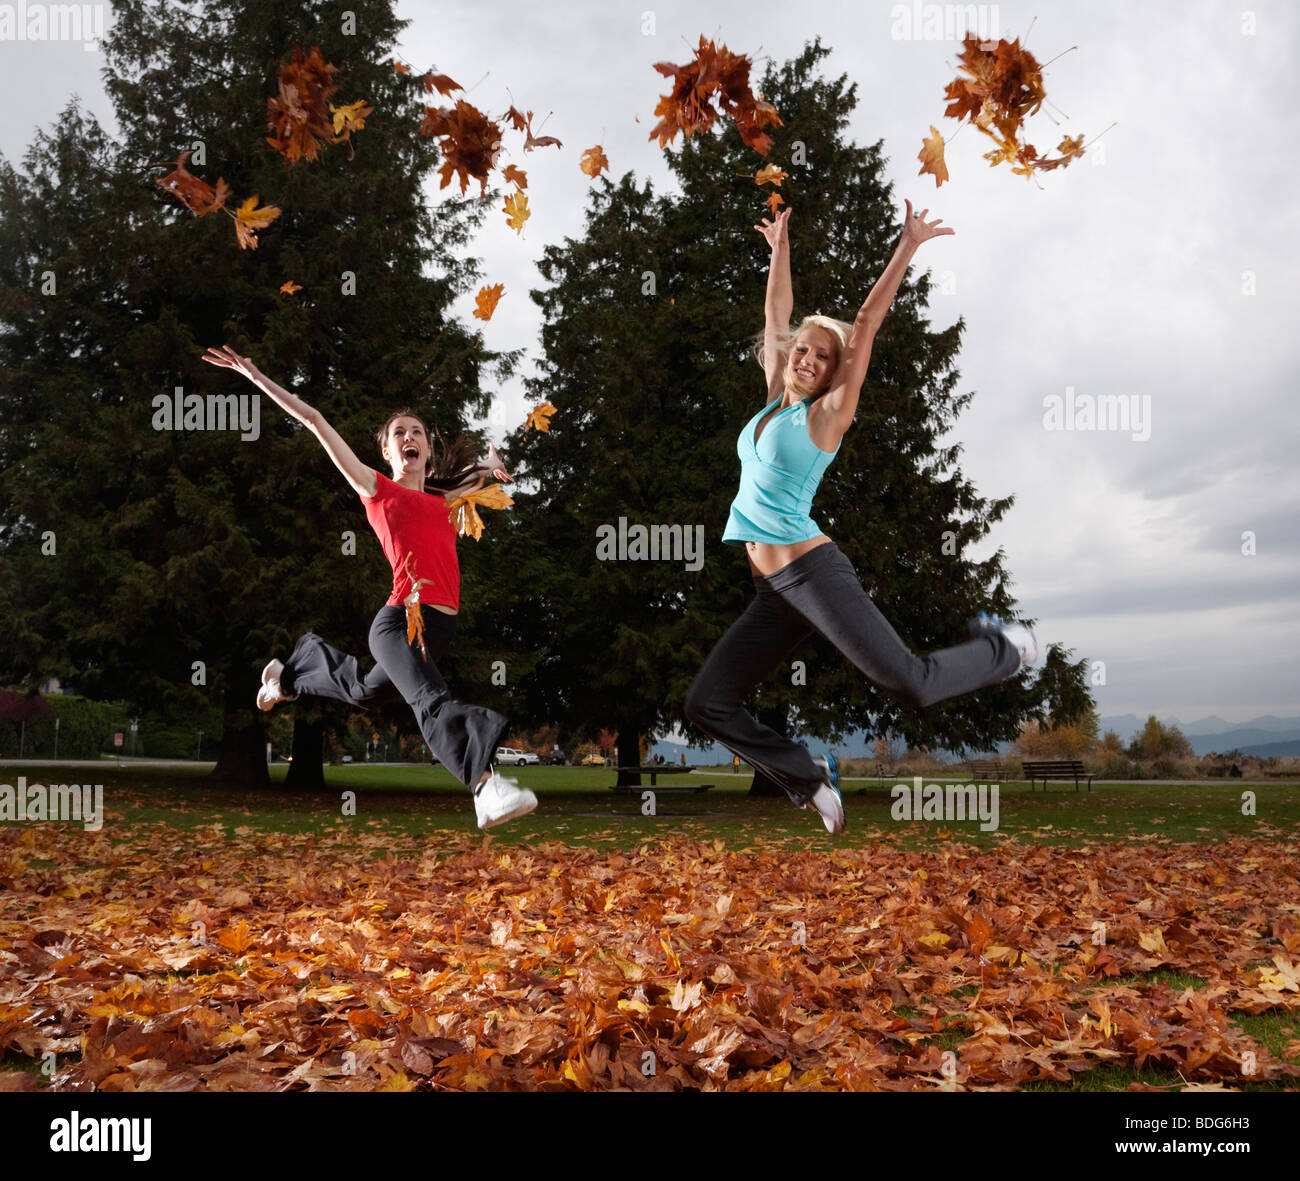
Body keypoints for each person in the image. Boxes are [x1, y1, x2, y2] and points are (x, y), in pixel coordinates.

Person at [683, 201, 1036, 835]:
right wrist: (780, 249)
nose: (808, 360)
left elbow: (867, 322)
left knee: (912, 683)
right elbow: (775, 315)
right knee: (707, 703)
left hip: (811, 572)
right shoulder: (770, 403)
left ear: (832, 372)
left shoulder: (824, 417)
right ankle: (808, 778)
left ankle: (1006, 649)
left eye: (822, 357)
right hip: (773, 592)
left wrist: (906, 247)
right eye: (803, 351)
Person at [201, 345, 537, 829]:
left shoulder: (445, 499)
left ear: (426, 449)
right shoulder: (377, 488)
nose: (410, 437)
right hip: (400, 620)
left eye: (417, 431)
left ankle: (290, 674)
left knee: (361, 691)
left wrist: (490, 462)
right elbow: (315, 420)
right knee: (429, 699)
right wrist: (254, 375)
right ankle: (486, 787)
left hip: (439, 629)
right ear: (387, 451)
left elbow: (482, 472)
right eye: (399, 433)